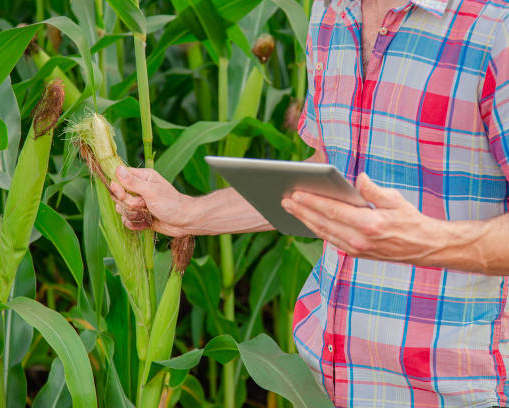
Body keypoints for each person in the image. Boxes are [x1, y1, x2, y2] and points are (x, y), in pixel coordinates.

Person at [110, 0, 509, 405]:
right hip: (329, 386)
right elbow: (328, 174)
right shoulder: (331, 11)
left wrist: (427, 241)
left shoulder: (496, 26)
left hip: (455, 391)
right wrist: (187, 213)